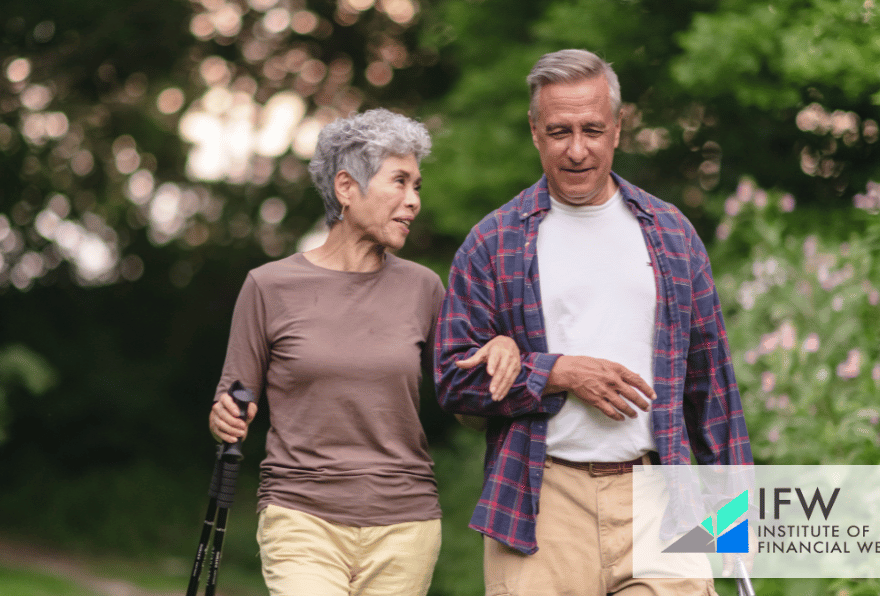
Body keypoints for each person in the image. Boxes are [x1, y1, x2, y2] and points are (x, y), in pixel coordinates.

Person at [435, 49, 753, 595]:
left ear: (618, 129)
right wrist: (556, 372)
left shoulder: (672, 233)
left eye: (592, 130)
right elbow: (453, 381)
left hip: (659, 496)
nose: (577, 149)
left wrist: (735, 532)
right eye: (559, 131)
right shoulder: (493, 242)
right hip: (541, 502)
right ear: (535, 132)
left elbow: (712, 386)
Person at [209, 108, 519, 596]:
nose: (414, 201)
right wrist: (225, 416)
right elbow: (232, 398)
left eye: (417, 185)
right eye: (399, 182)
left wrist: (499, 346)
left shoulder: (423, 287)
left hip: (405, 524)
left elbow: (467, 401)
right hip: (300, 516)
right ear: (347, 188)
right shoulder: (268, 287)